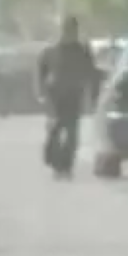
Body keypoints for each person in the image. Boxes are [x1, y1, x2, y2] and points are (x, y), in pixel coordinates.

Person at [36, 16, 99, 178]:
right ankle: (54, 161)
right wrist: (41, 93)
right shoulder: (51, 51)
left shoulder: (83, 51)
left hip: (74, 96)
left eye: (72, 29)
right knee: (55, 131)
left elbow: (92, 73)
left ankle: (66, 165)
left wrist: (93, 95)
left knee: (72, 134)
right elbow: (40, 73)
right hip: (55, 97)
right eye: (66, 29)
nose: (69, 33)